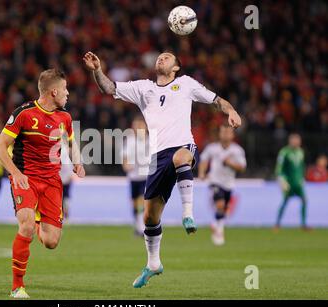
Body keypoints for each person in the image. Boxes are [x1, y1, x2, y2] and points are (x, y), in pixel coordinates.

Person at [83, 51, 242, 288]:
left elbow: (217, 100)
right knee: (149, 217)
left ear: (177, 67)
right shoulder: (143, 88)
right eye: (159, 57)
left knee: (182, 158)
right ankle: (153, 263)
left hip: (182, 146)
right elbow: (108, 88)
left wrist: (230, 110)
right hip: (157, 157)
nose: (161, 58)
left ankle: (187, 213)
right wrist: (97, 70)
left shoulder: (186, 84)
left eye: (167, 57)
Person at [0, 69, 85, 299]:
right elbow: (0, 147)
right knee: (25, 226)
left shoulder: (64, 117)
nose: (67, 94)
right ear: (53, 91)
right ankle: (17, 287)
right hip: (26, 177)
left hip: (52, 182)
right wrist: (15, 173)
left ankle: (38, 220)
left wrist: (78, 162)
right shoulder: (23, 113)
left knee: (51, 242)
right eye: (65, 89)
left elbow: (71, 142)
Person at [198, 124, 246, 246]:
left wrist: (230, 163)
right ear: (219, 134)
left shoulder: (237, 150)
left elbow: (242, 167)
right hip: (215, 181)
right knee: (220, 205)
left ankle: (216, 225)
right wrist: (202, 173)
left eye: (228, 132)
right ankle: (220, 232)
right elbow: (204, 160)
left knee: (224, 209)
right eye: (223, 132)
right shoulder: (212, 148)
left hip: (229, 184)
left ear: (232, 135)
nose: (225, 134)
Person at [121, 116, 150, 237]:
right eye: (135, 126)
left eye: (140, 125)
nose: (137, 128)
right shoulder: (130, 140)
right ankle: (138, 225)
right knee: (134, 202)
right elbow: (125, 156)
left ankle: (142, 227)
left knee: (141, 201)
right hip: (133, 176)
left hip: (146, 175)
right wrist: (126, 165)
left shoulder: (150, 140)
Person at [275, 133, 309, 231]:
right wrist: (281, 180)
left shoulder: (301, 152)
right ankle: (277, 224)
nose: (296, 142)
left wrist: (303, 178)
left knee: (304, 200)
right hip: (288, 183)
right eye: (294, 140)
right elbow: (279, 167)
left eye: (298, 140)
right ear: (290, 141)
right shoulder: (284, 152)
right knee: (285, 201)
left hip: (298, 183)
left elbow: (302, 167)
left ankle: (303, 224)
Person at [59, 139, 75, 221]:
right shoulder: (63, 150)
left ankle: (64, 214)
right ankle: (64, 214)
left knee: (64, 196)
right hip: (62, 176)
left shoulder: (63, 150)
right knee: (64, 196)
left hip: (63, 176)